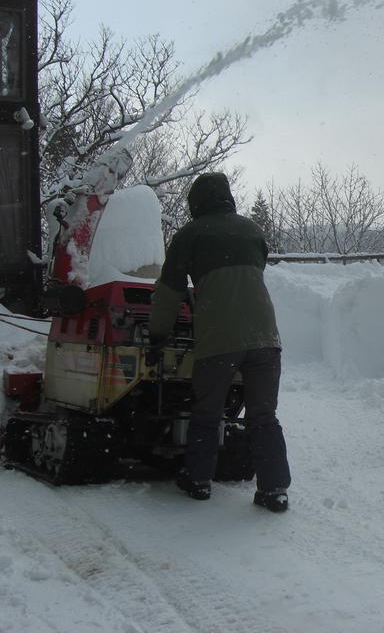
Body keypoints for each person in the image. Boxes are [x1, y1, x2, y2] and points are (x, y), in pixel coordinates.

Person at [147, 172, 290, 513]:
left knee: (207, 413)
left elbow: (168, 293)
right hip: (265, 339)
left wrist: (157, 336)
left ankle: (198, 481)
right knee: (264, 416)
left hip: (219, 341)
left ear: (196, 203)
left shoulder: (190, 235)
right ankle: (274, 490)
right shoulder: (253, 231)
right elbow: (249, 276)